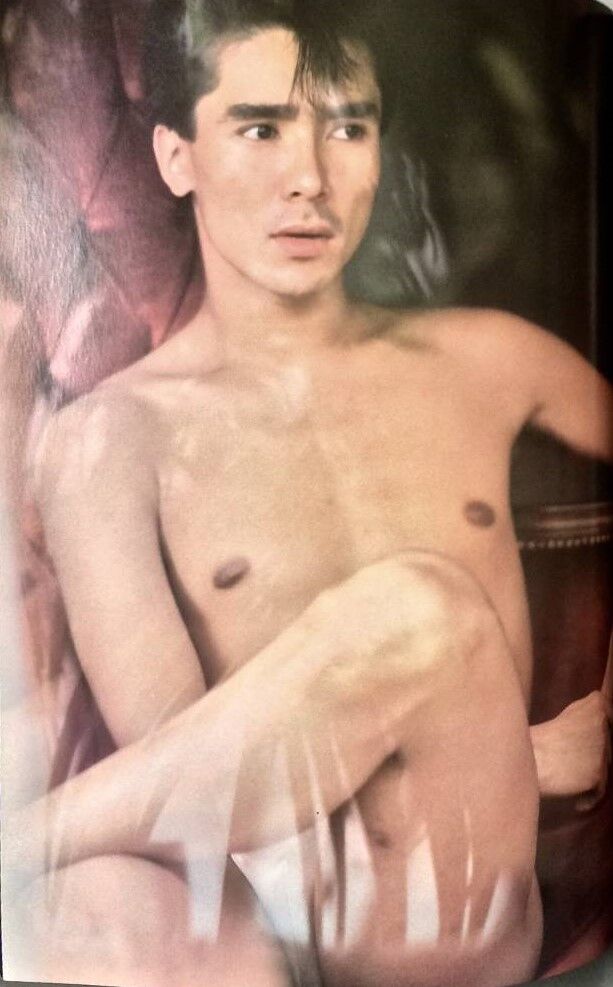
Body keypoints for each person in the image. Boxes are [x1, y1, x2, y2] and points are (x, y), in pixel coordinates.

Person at [3, 2, 612, 986]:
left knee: (423, 611)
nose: (310, 178)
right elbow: (182, 772)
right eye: (261, 128)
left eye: (348, 127)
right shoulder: (107, 440)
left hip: (439, 908)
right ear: (175, 158)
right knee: (96, 901)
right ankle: (39, 847)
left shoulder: (495, 359)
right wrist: (522, 754)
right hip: (251, 909)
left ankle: (24, 838)